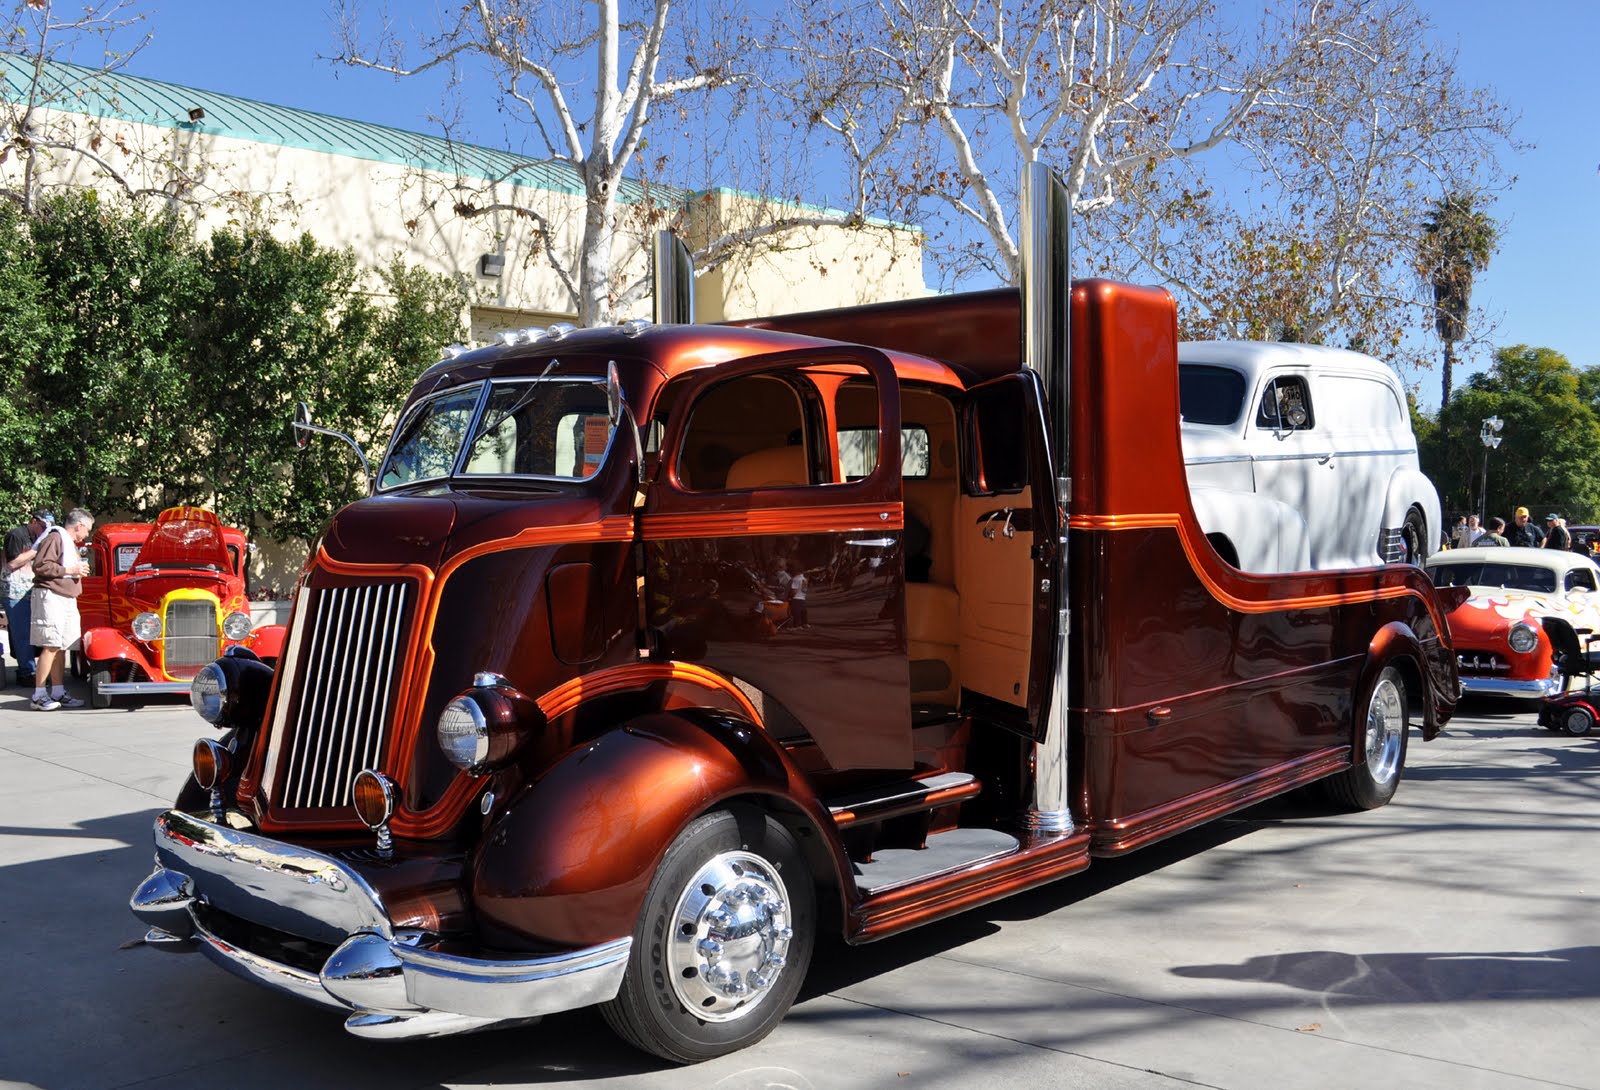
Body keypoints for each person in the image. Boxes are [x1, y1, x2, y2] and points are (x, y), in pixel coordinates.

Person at [29, 507, 93, 711]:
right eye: (88, 529)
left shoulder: (67, 542)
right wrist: (70, 570)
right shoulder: (56, 537)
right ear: (79, 526)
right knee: (51, 643)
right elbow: (40, 566)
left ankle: (57, 691)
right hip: (52, 596)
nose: (88, 534)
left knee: (62, 645)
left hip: (65, 597)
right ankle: (38, 695)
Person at [4, 508, 52, 689]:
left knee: (33, 634)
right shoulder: (16, 535)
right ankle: (28, 673)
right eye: (42, 526)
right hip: (15, 593)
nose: (44, 530)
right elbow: (12, 563)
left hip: (33, 592)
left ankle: (29, 670)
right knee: (22, 634)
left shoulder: (39, 538)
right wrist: (36, 549)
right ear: (33, 521)